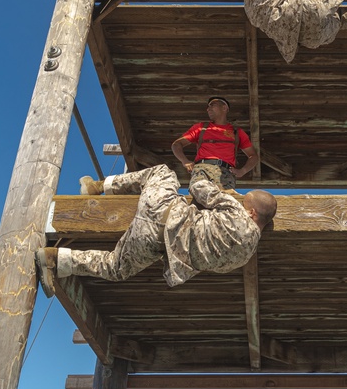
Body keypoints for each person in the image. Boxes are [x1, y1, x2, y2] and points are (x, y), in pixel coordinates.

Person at [35, 163, 276, 292]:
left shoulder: (236, 210)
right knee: (114, 267)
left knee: (162, 172)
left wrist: (227, 193)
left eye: (246, 201)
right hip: (152, 244)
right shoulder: (244, 257)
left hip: (161, 209)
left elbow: (198, 188)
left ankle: (98, 187)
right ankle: (54, 259)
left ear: (252, 212)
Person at [171, 96, 258, 192]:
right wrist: (184, 161)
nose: (208, 109)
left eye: (212, 105)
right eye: (208, 107)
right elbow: (176, 144)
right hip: (201, 171)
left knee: (223, 203)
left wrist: (243, 171)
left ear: (224, 108)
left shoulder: (237, 132)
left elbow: (253, 156)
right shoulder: (201, 127)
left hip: (225, 173)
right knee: (199, 201)